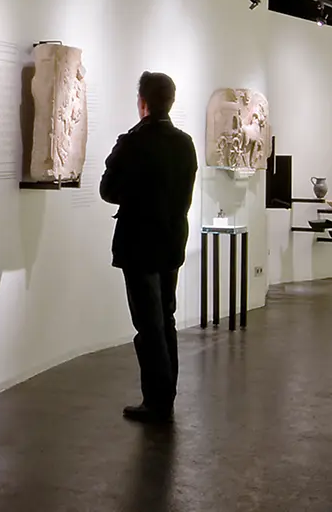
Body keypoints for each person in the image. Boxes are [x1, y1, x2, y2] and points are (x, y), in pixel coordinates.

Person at [99, 71, 198, 424]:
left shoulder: (134, 143)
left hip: (139, 243)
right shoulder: (184, 143)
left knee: (148, 325)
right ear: (170, 101)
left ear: (142, 102)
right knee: (165, 318)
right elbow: (183, 194)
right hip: (171, 241)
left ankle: (155, 400)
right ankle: (164, 394)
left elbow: (108, 190)